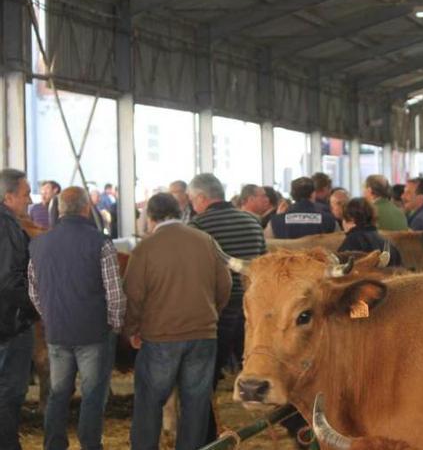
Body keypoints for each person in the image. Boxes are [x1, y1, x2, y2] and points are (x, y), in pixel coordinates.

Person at [125, 193, 231, 449]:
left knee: (150, 402)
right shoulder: (205, 241)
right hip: (203, 335)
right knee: (195, 404)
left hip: (160, 338)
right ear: (180, 212)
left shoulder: (145, 249)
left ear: (150, 217)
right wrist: (211, 313)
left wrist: (132, 329)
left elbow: (133, 295)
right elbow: (225, 283)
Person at [28, 186, 124, 450]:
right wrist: (114, 326)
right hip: (93, 332)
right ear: (86, 208)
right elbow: (114, 292)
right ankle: (90, 444)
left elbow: (34, 291)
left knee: (58, 393)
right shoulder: (101, 242)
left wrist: (50, 316)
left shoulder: (38, 244)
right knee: (93, 394)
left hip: (57, 332)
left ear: (59, 210)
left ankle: (54, 444)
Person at [187, 173, 265, 443]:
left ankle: (206, 439)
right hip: (252, 313)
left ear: (201, 198)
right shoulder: (253, 223)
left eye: (191, 199)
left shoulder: (197, 226)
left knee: (204, 380)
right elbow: (262, 265)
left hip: (217, 312)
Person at [0, 168, 38, 450]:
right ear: (8, 196)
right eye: (25, 194)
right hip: (9, 325)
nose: (29, 200)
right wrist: (38, 304)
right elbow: (9, 280)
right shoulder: (7, 226)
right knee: (10, 394)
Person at [338, 198, 401, 267]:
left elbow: (340, 270)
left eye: (343, 218)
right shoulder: (387, 243)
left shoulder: (351, 241)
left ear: (351, 219)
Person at [266, 177, 337, 239]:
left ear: (292, 195)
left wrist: (279, 217)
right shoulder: (329, 220)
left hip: (286, 254)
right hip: (321, 254)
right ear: (313, 194)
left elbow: (268, 244)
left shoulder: (276, 221)